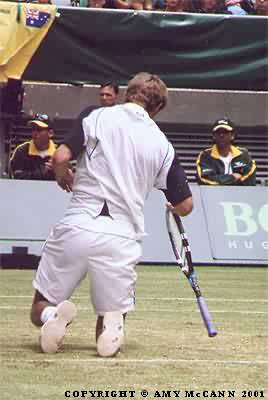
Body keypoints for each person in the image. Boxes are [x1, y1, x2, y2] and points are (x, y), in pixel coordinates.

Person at [30, 72, 193, 357]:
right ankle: (111, 328)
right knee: (110, 318)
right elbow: (185, 205)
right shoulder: (163, 145)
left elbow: (60, 157)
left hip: (76, 227)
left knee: (39, 307)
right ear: (157, 108)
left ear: (127, 94)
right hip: (121, 238)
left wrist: (61, 175)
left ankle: (52, 316)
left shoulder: (96, 116)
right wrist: (172, 206)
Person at [196, 118, 256, 186]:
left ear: (232, 136)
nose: (222, 135)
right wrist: (232, 177)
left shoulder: (243, 155)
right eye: (218, 132)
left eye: (225, 132)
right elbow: (204, 179)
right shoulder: (205, 156)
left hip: (240, 195)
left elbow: (250, 180)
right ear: (214, 136)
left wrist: (220, 179)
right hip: (213, 195)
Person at [9, 114, 56, 181]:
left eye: (39, 130)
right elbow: (16, 176)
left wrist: (57, 172)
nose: (35, 133)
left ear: (50, 133)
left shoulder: (59, 153)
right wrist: (42, 173)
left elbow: (67, 178)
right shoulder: (21, 150)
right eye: (33, 129)